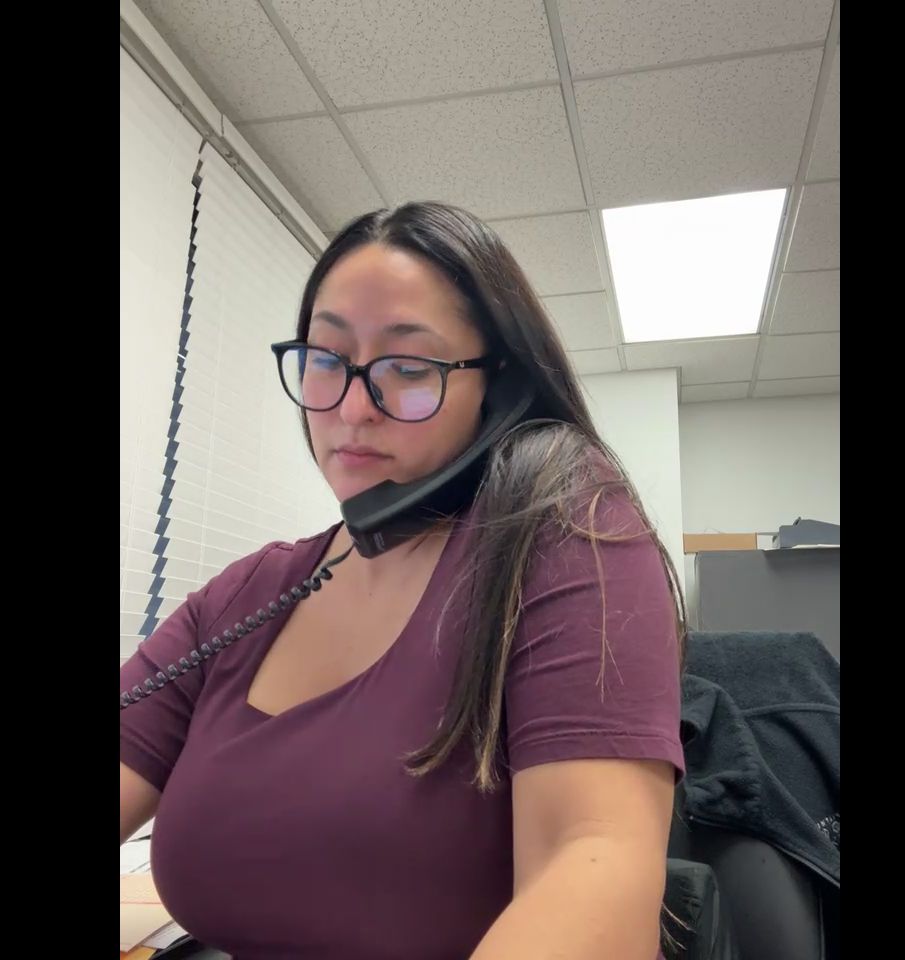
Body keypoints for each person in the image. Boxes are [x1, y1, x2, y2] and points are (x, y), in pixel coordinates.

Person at [120, 201, 686, 960]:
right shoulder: (249, 594)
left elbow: (592, 865)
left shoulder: (567, 536)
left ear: (499, 389)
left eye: (409, 369)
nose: (353, 408)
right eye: (326, 359)